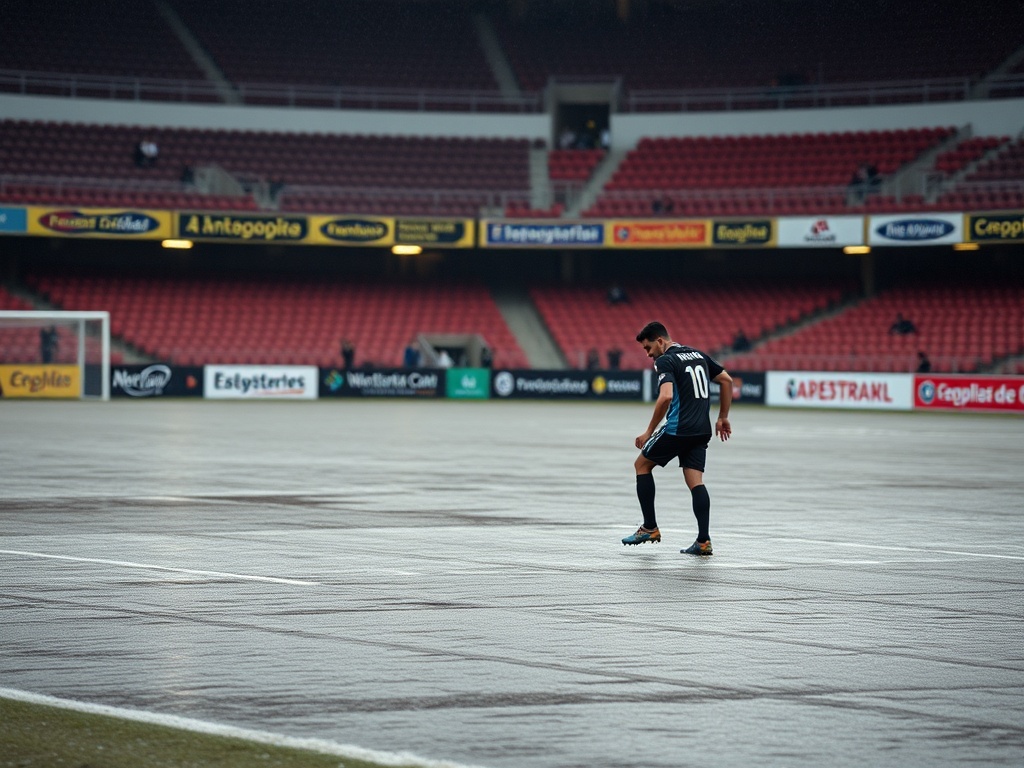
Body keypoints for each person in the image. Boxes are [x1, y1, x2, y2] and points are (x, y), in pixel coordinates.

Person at [623, 321, 732, 556]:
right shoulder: (698, 355)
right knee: (696, 482)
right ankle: (703, 541)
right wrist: (723, 417)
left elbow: (666, 396)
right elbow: (727, 381)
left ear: (660, 341)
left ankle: (649, 527)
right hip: (701, 430)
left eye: (648, 348)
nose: (648, 354)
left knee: (641, 465)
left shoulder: (665, 360)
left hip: (678, 428)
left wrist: (649, 431)